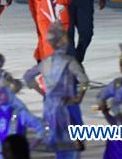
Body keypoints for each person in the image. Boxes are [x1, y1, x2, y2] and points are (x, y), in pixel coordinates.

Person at [22, 21, 87, 159]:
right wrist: (78, 97)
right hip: (68, 105)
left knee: (58, 143)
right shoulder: (69, 61)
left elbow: (27, 77)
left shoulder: (45, 62)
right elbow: (84, 80)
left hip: (50, 106)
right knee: (72, 145)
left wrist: (42, 93)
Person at [0, 73, 44, 159]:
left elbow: (41, 128)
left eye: (1, 93)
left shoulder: (20, 114)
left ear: (9, 93)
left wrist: (27, 148)